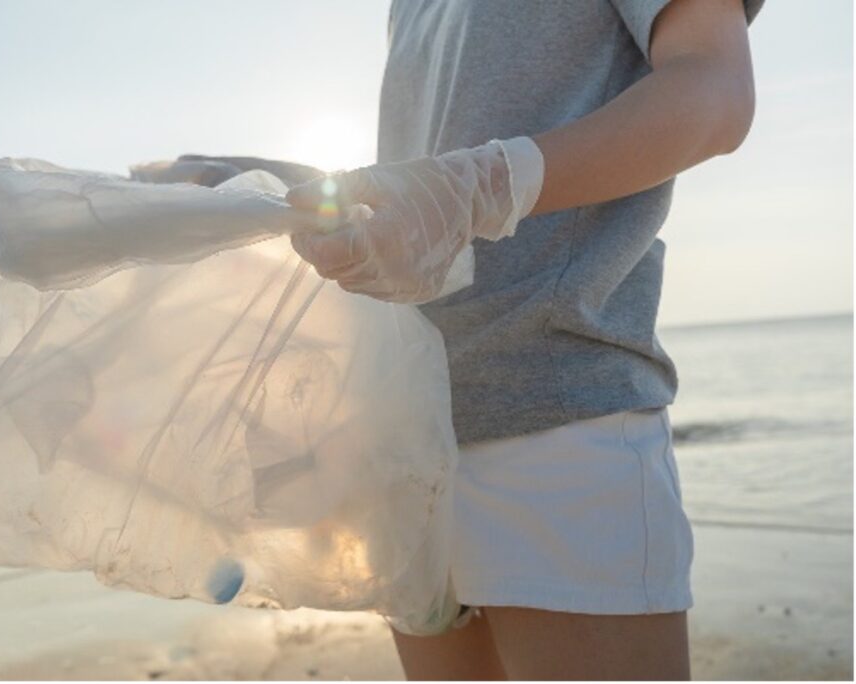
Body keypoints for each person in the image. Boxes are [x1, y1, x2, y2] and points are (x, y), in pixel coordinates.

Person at [137, 0, 762, 678]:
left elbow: (716, 90)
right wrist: (267, 185)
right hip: (410, 433)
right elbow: (424, 185)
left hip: (560, 419)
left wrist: (482, 187)